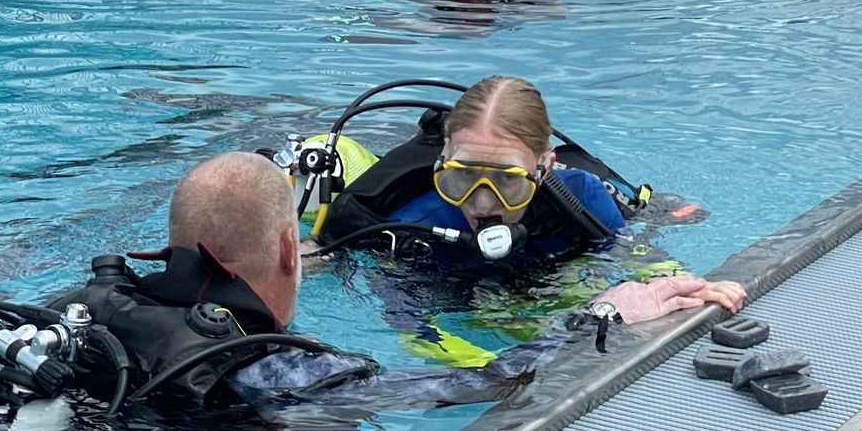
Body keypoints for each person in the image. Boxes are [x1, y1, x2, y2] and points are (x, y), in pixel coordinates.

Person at [0, 153, 554, 431]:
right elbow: (484, 385)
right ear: (290, 248)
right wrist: (600, 319)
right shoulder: (278, 369)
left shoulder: (75, 310)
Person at [306, 75, 743, 326]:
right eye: (462, 177)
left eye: (506, 182)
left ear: (545, 167)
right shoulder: (411, 232)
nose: (480, 204)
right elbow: (438, 351)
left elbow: (632, 256)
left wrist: (686, 284)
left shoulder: (583, 196)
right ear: (443, 161)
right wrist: (588, 321)